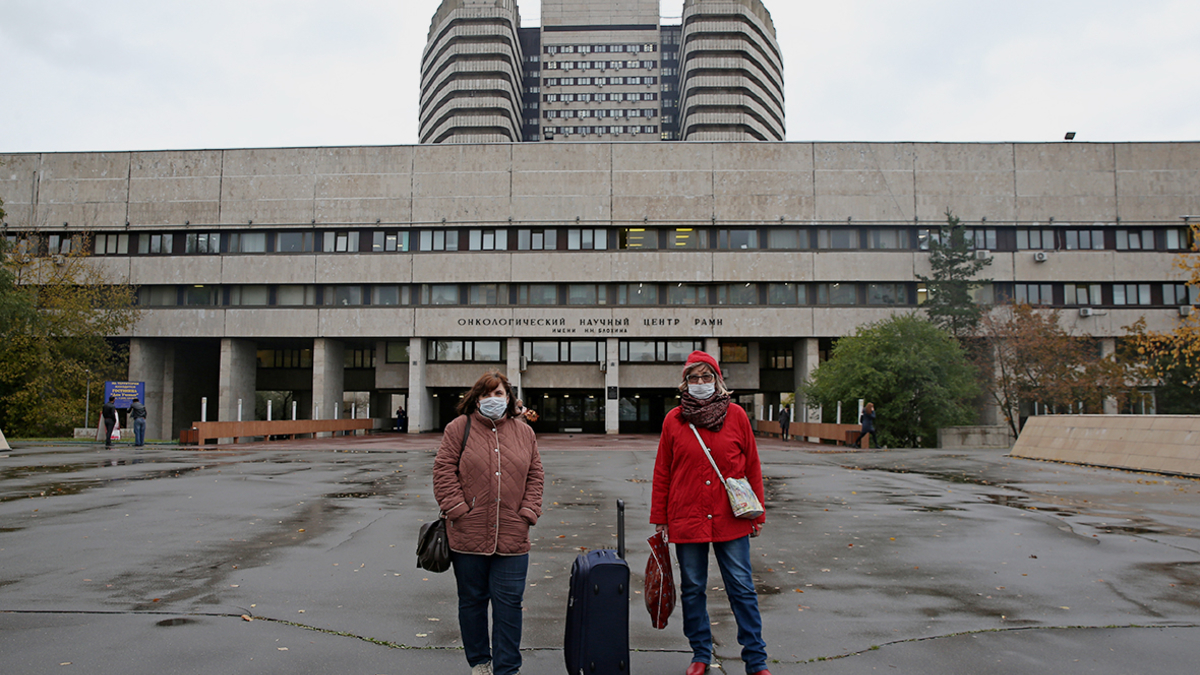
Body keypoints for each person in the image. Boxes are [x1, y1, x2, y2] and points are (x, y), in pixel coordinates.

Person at [651, 351, 770, 675]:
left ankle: (756, 660)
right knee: (693, 588)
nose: (700, 383)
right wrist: (660, 517)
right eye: (694, 378)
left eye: (706, 377)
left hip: (731, 517)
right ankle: (700, 653)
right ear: (685, 383)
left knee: (742, 587)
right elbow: (663, 471)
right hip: (686, 515)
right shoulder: (674, 420)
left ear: (718, 381)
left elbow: (753, 466)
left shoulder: (737, 416)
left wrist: (757, 514)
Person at [433, 371, 543, 675]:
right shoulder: (459, 428)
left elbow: (535, 475)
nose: (493, 400)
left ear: (508, 399)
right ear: (476, 398)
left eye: (499, 394)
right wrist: (457, 510)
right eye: (487, 394)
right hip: (467, 534)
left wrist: (528, 513)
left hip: (513, 533)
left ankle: (508, 668)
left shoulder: (525, 434)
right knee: (472, 602)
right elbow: (443, 471)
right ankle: (480, 662)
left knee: (509, 606)